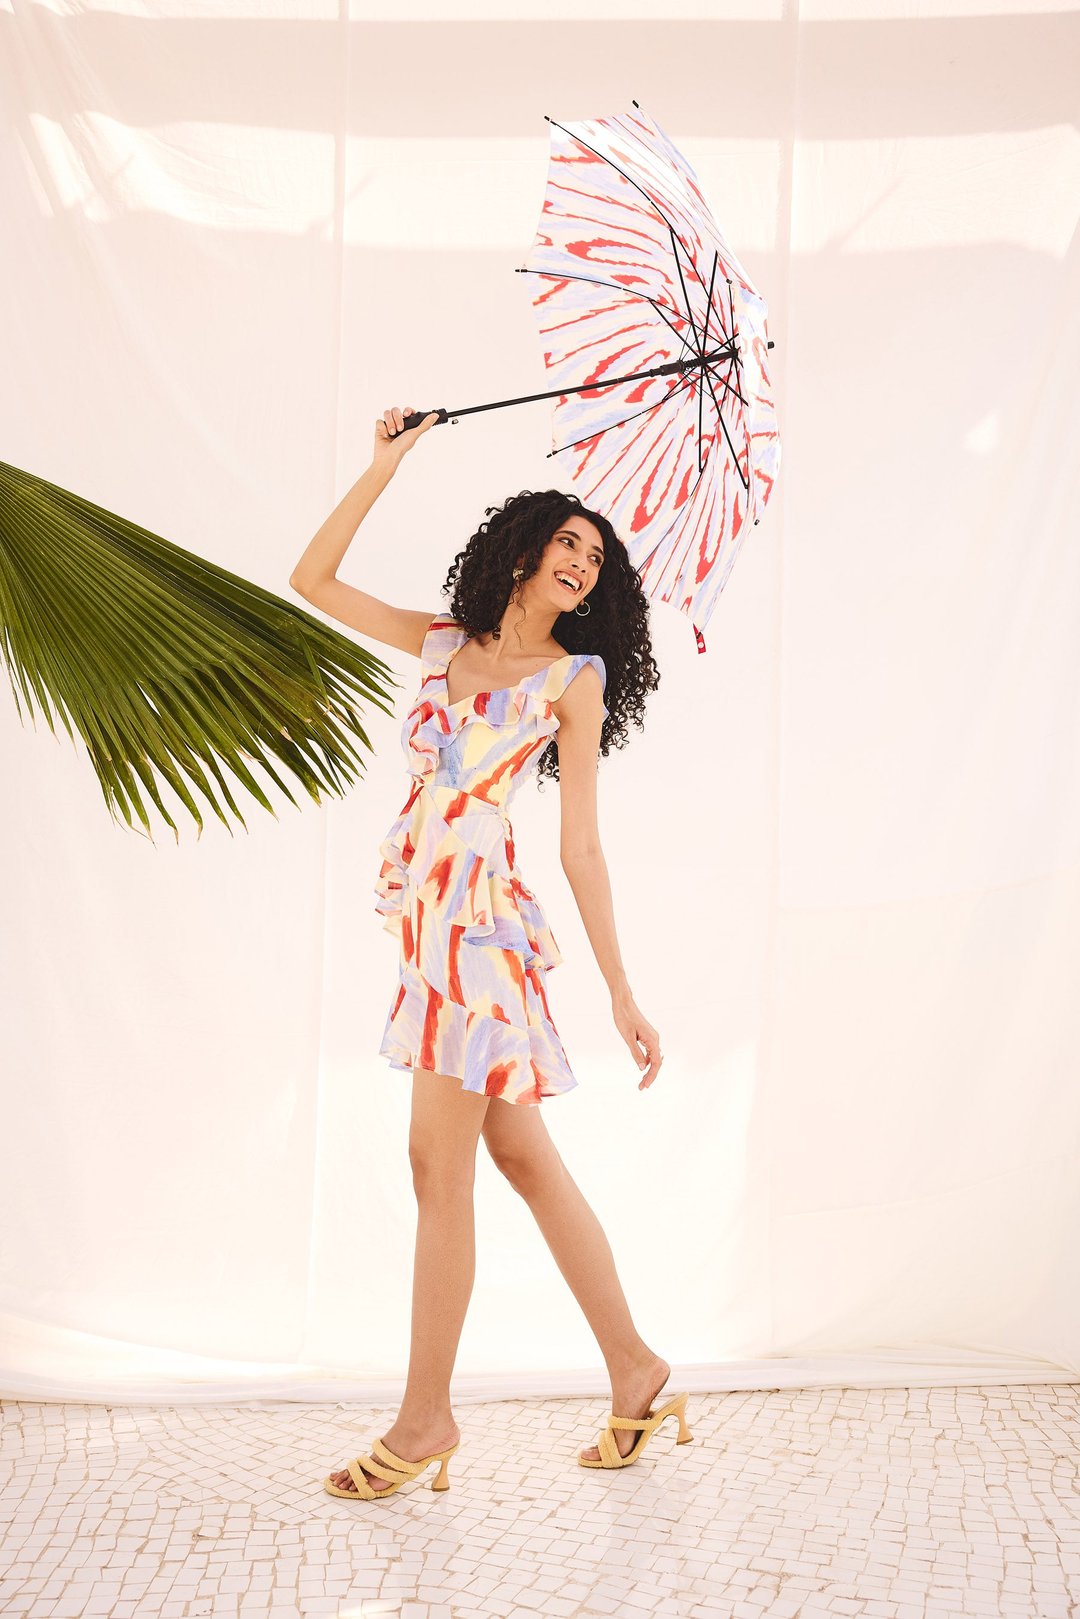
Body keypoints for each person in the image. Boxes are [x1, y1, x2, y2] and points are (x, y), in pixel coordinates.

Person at [290, 404, 691, 1500]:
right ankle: (638, 1370)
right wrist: (387, 463)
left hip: (475, 932)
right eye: (567, 541)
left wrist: (621, 991)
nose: (582, 561)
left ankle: (426, 1419)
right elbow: (311, 579)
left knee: (439, 1166)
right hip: (430, 926)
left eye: (595, 557)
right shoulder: (441, 643)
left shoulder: (572, 680)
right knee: (519, 1157)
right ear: (522, 550)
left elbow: (582, 844)